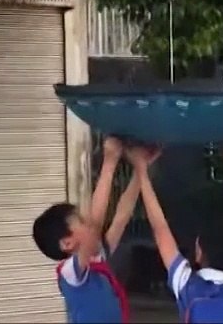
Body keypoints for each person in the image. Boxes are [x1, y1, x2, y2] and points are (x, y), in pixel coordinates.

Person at [129, 137, 223, 323]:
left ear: (199, 253)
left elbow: (160, 229)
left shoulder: (190, 289)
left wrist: (141, 169)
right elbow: (161, 230)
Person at [32, 136, 151, 323]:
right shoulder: (70, 273)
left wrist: (140, 169)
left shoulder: (97, 256)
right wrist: (110, 160)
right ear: (67, 243)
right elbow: (95, 224)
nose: (87, 222)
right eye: (80, 221)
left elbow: (122, 216)